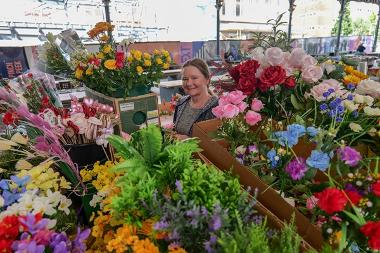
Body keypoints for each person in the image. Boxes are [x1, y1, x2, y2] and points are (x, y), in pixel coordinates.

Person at [173, 58, 218, 138]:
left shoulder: (217, 107)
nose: (189, 83)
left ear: (207, 79)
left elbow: (218, 143)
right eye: (185, 79)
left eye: (194, 78)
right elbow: (175, 130)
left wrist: (189, 140)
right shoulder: (181, 103)